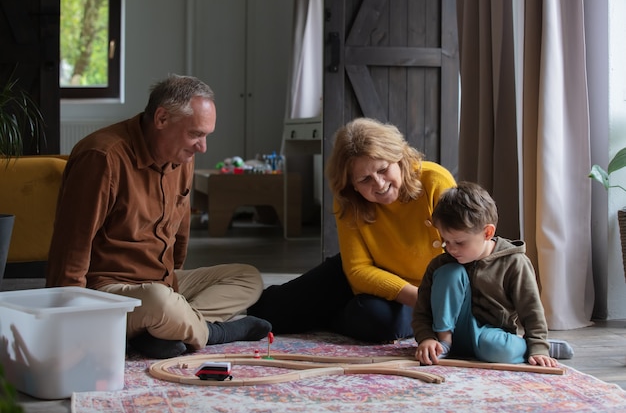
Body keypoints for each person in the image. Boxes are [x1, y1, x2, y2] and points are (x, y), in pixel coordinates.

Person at [46, 74, 271, 359]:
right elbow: (71, 248)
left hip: (162, 284)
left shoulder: (182, 157)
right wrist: (69, 321)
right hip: (107, 293)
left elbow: (180, 233)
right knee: (158, 302)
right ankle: (212, 332)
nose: (202, 147)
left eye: (205, 136)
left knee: (247, 278)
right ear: (162, 118)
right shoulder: (102, 157)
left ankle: (162, 329)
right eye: (196, 134)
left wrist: (172, 281)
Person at [248, 117, 457, 342]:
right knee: (266, 312)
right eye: (365, 179)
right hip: (366, 274)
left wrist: (426, 297)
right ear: (352, 185)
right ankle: (330, 312)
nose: (378, 183)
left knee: (377, 321)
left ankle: (327, 315)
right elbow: (358, 270)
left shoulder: (435, 181)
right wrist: (419, 299)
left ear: (399, 158)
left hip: (424, 287)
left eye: (383, 169)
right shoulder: (348, 200)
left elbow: (461, 250)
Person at [412, 181, 574, 367]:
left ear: (487, 232)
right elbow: (421, 311)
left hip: (490, 337)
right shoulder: (441, 264)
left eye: (459, 242)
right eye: (445, 241)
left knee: (497, 349)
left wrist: (538, 346)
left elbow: (531, 311)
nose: (450, 249)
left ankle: (527, 346)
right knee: (450, 272)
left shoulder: (514, 263)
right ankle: (445, 342)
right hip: (447, 336)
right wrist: (426, 338)